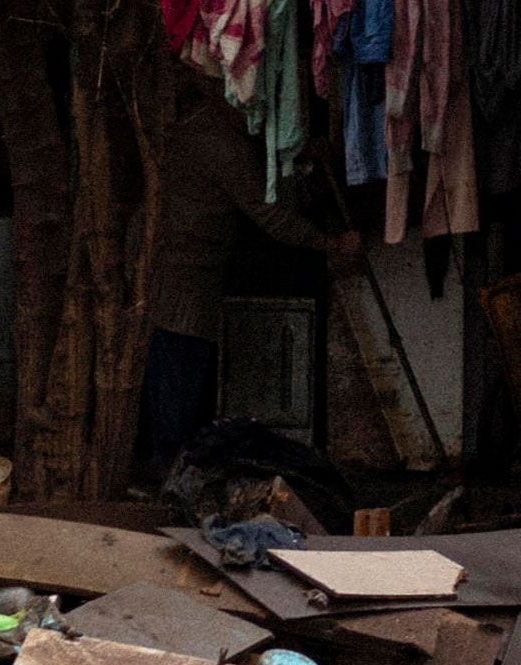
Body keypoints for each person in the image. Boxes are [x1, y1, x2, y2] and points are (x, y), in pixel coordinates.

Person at [140, 73, 363, 470]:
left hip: (178, 269)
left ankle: (173, 470)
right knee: (180, 386)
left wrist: (299, 149)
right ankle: (174, 477)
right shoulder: (220, 143)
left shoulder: (203, 126)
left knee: (176, 380)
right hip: (185, 275)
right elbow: (269, 214)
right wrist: (330, 244)